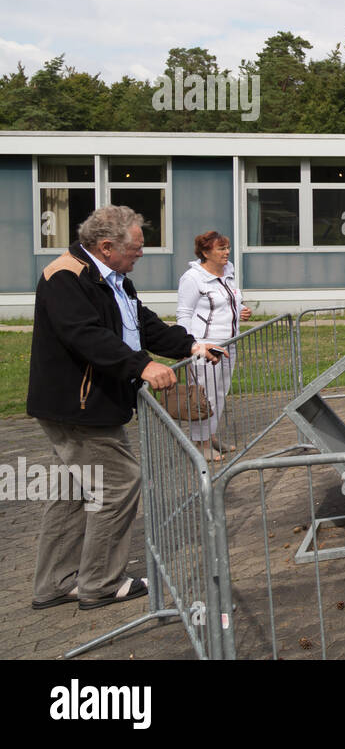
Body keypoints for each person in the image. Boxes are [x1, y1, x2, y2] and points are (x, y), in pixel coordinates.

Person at [27, 205, 222, 611]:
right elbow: (86, 336)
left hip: (89, 404)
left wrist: (189, 345)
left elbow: (141, 324)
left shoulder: (114, 278)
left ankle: (56, 583)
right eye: (135, 247)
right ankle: (99, 582)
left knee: (72, 492)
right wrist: (142, 366)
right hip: (78, 407)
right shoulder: (66, 276)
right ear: (106, 246)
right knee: (118, 484)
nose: (142, 253)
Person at [176, 231, 251, 461]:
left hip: (229, 344)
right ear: (205, 252)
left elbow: (228, 302)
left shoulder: (228, 272)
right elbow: (184, 313)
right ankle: (200, 444)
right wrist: (187, 345)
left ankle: (210, 436)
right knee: (203, 395)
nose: (226, 252)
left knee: (219, 393)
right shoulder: (192, 278)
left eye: (227, 247)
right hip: (204, 347)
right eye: (221, 249)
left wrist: (242, 310)